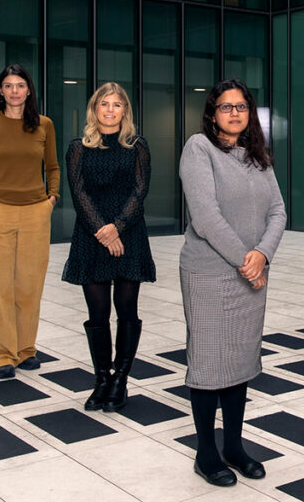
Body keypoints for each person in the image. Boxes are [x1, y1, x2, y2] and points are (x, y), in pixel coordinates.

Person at [179, 78, 286, 487]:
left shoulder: (258, 155)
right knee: (209, 364)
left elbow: (278, 211)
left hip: (251, 273)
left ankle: (234, 447)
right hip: (208, 272)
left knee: (240, 361)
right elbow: (205, 217)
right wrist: (248, 262)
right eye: (226, 107)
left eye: (241, 106)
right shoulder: (199, 148)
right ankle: (206, 452)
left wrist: (263, 255)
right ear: (212, 114)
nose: (235, 113)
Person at [62, 82, 155, 412]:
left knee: (127, 309)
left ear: (125, 110)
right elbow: (78, 192)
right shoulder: (78, 148)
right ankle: (102, 379)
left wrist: (117, 227)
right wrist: (103, 230)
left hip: (129, 234)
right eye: (105, 104)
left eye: (117, 104)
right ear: (95, 109)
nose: (110, 110)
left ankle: (120, 381)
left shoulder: (137, 146)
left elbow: (140, 191)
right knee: (98, 312)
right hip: (91, 236)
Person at [0, 64, 59, 379]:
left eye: (20, 85)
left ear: (28, 90)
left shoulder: (44, 125)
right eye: (8, 85)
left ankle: (25, 349)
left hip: (36, 213)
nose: (14, 91)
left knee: (29, 285)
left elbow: (53, 167)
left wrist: (52, 199)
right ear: (0, 90)